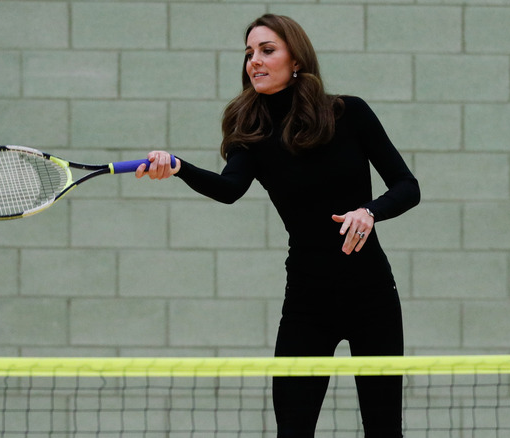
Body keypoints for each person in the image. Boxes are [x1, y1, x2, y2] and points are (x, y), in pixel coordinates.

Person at [137, 14, 420, 438]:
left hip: (372, 296)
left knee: (384, 430)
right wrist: (178, 167)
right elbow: (229, 188)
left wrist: (370, 211)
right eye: (249, 53)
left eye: (267, 50)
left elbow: (407, 186)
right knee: (292, 429)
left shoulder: (349, 113)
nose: (254, 61)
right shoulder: (252, 132)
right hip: (307, 301)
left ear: (297, 60)